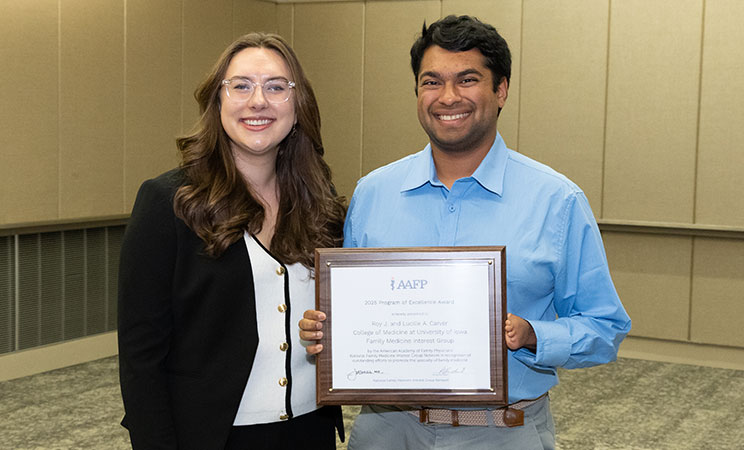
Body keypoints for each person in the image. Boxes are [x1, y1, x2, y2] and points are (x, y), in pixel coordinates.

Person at [299, 15, 631, 449]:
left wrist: (532, 334)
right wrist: (323, 328)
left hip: (503, 433)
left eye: (468, 79)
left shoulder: (557, 201)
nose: (447, 97)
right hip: (386, 430)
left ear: (501, 90)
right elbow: (350, 308)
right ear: (418, 93)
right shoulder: (373, 193)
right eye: (431, 82)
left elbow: (604, 327)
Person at [118, 32, 347, 450]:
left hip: (309, 431)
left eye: (276, 87)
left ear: (298, 107)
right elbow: (140, 358)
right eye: (240, 86)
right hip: (213, 435)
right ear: (217, 101)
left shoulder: (320, 201)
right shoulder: (168, 202)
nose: (257, 101)